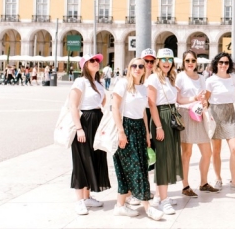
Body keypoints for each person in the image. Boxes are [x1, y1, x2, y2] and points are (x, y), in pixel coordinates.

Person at [111, 57, 164, 221]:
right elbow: (114, 108)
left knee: (138, 166)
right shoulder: (122, 84)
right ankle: (148, 207)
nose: (138, 68)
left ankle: (120, 206)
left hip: (139, 129)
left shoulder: (143, 88)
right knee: (136, 168)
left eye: (141, 66)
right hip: (126, 127)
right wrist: (121, 132)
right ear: (129, 67)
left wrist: (148, 133)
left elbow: (143, 112)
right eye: (134, 65)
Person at [68, 53, 110, 215]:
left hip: (97, 121)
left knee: (93, 158)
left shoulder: (97, 83)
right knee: (81, 160)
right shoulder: (80, 81)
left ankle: (87, 197)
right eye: (91, 60)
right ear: (84, 65)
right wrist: (79, 128)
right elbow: (73, 106)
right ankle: (79, 200)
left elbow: (103, 101)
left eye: (97, 60)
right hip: (85, 121)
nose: (96, 62)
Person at [176, 50, 219, 197]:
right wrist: (193, 99)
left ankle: (203, 183)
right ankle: (185, 185)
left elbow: (205, 98)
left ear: (196, 62)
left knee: (207, 152)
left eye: (192, 60)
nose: (190, 63)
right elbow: (178, 100)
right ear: (183, 62)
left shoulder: (201, 78)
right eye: (187, 60)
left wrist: (204, 102)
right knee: (187, 153)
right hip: (185, 115)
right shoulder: (180, 77)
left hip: (199, 114)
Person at [146, 48, 181, 215]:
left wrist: (195, 99)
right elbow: (152, 104)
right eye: (164, 59)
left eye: (170, 59)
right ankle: (164, 201)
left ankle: (160, 196)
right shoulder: (153, 79)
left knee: (168, 157)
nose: (167, 63)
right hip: (161, 118)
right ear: (158, 61)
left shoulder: (170, 78)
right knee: (162, 159)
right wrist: (158, 126)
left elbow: (178, 100)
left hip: (171, 117)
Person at [205, 52, 235, 192]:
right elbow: (207, 100)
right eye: (221, 62)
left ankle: (234, 181)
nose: (223, 65)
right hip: (215, 115)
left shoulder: (233, 78)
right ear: (216, 64)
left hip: (229, 115)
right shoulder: (210, 80)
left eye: (226, 63)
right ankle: (218, 178)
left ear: (230, 65)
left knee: (234, 149)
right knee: (216, 151)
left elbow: (233, 95)